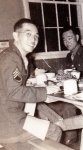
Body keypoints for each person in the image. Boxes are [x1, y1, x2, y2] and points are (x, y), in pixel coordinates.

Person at [0, 18, 62, 147]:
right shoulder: (11, 58)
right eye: (28, 34)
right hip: (8, 122)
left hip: (8, 117)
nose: (33, 40)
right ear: (15, 36)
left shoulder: (19, 57)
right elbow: (14, 92)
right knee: (54, 131)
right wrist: (45, 91)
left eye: (36, 36)